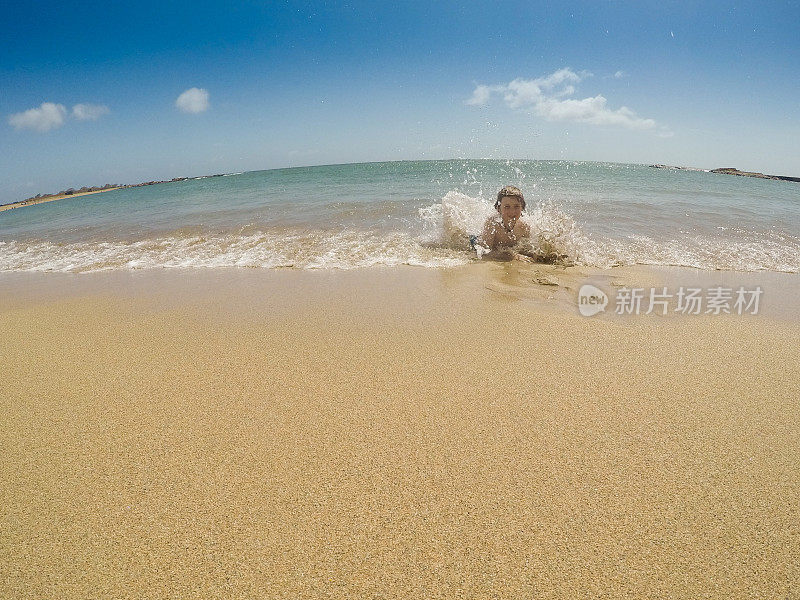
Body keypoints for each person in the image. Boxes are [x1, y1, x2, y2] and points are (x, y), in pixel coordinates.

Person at [473, 185, 534, 262]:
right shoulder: (493, 224)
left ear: (522, 207)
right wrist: (512, 256)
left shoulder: (524, 227)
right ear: (499, 208)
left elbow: (525, 250)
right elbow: (483, 252)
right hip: (475, 242)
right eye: (507, 207)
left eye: (516, 206)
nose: (512, 212)